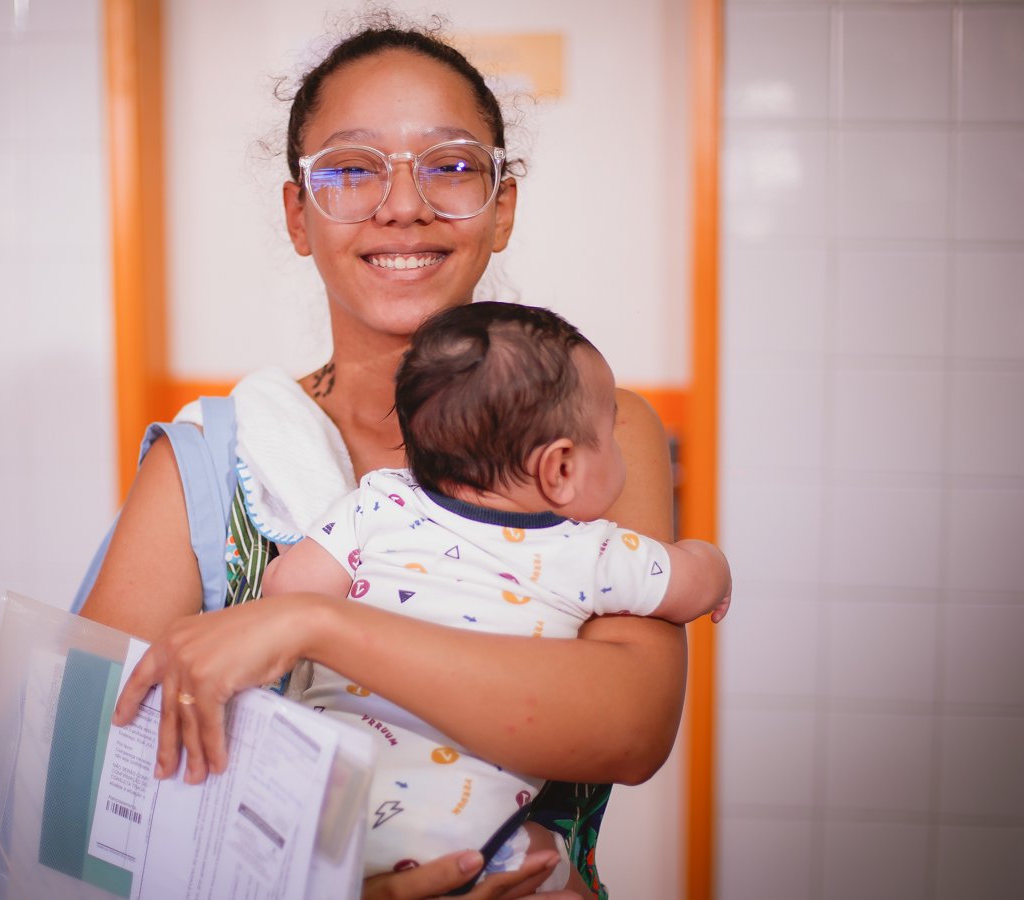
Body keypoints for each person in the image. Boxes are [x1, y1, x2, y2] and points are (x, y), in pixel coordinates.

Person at [90, 19, 691, 900]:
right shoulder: (214, 462)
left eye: (449, 165)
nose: (403, 205)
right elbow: (103, 785)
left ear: (503, 208)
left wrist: (318, 627)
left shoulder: (594, 431)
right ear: (299, 215)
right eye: (352, 168)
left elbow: (630, 727)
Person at [259, 301, 731, 889]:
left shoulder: (378, 501)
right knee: (545, 861)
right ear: (559, 469)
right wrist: (716, 565)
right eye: (609, 433)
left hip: (321, 805)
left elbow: (285, 589)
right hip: (463, 836)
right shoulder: (590, 553)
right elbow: (688, 585)